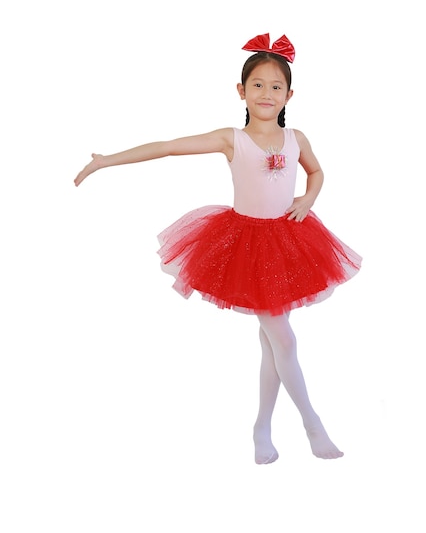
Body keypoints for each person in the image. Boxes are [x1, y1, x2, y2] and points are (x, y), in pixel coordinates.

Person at [74, 33, 361, 463]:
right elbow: (169, 147)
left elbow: (317, 173)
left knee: (273, 342)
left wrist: (307, 198)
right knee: (281, 339)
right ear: (241, 91)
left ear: (290, 94)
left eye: (276, 86)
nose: (267, 93)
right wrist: (106, 161)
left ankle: (262, 428)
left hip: (288, 241)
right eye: (258, 85)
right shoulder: (232, 138)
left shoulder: (297, 138)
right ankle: (311, 423)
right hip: (246, 245)